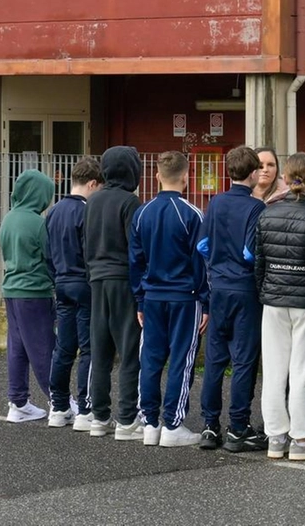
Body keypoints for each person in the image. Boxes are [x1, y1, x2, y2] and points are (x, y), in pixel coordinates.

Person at [130, 151, 208, 448]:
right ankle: (173, 424)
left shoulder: (142, 213)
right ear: (187, 177)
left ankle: (149, 422)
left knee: (150, 358)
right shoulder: (193, 214)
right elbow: (200, 261)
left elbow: (135, 261)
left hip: (152, 297)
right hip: (185, 297)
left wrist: (139, 298)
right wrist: (205, 301)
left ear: (158, 176)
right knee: (181, 359)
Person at [255, 152, 305, 461]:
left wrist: (266, 291)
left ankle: (275, 437)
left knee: (273, 371)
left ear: (285, 178)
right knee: (303, 372)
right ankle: (301, 439)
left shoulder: (266, 214)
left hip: (273, 300)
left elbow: (259, 262)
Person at [197, 146, 268, 452]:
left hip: (218, 287)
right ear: (253, 173)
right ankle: (239, 425)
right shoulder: (256, 208)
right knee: (244, 360)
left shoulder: (215, 203)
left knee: (215, 359)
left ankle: (209, 425)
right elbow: (251, 252)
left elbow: (202, 245)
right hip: (244, 289)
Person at [85, 146, 145, 439]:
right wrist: (140, 288)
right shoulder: (130, 202)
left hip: (96, 280)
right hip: (123, 281)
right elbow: (135, 250)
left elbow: (86, 243)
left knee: (101, 351)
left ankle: (99, 417)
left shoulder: (93, 201)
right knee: (129, 351)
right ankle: (127, 419)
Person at [45, 157, 101, 430]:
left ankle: (58, 406)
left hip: (62, 283)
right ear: (92, 183)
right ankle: (85, 409)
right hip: (84, 283)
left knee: (63, 348)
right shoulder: (86, 212)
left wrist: (56, 278)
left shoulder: (54, 211)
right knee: (89, 348)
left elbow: (47, 254)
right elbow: (91, 252)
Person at [0, 169, 56, 423]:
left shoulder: (8, 219)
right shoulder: (38, 223)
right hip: (35, 292)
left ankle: (18, 402)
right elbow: (50, 257)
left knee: (18, 347)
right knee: (43, 347)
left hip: (11, 289)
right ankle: (60, 400)